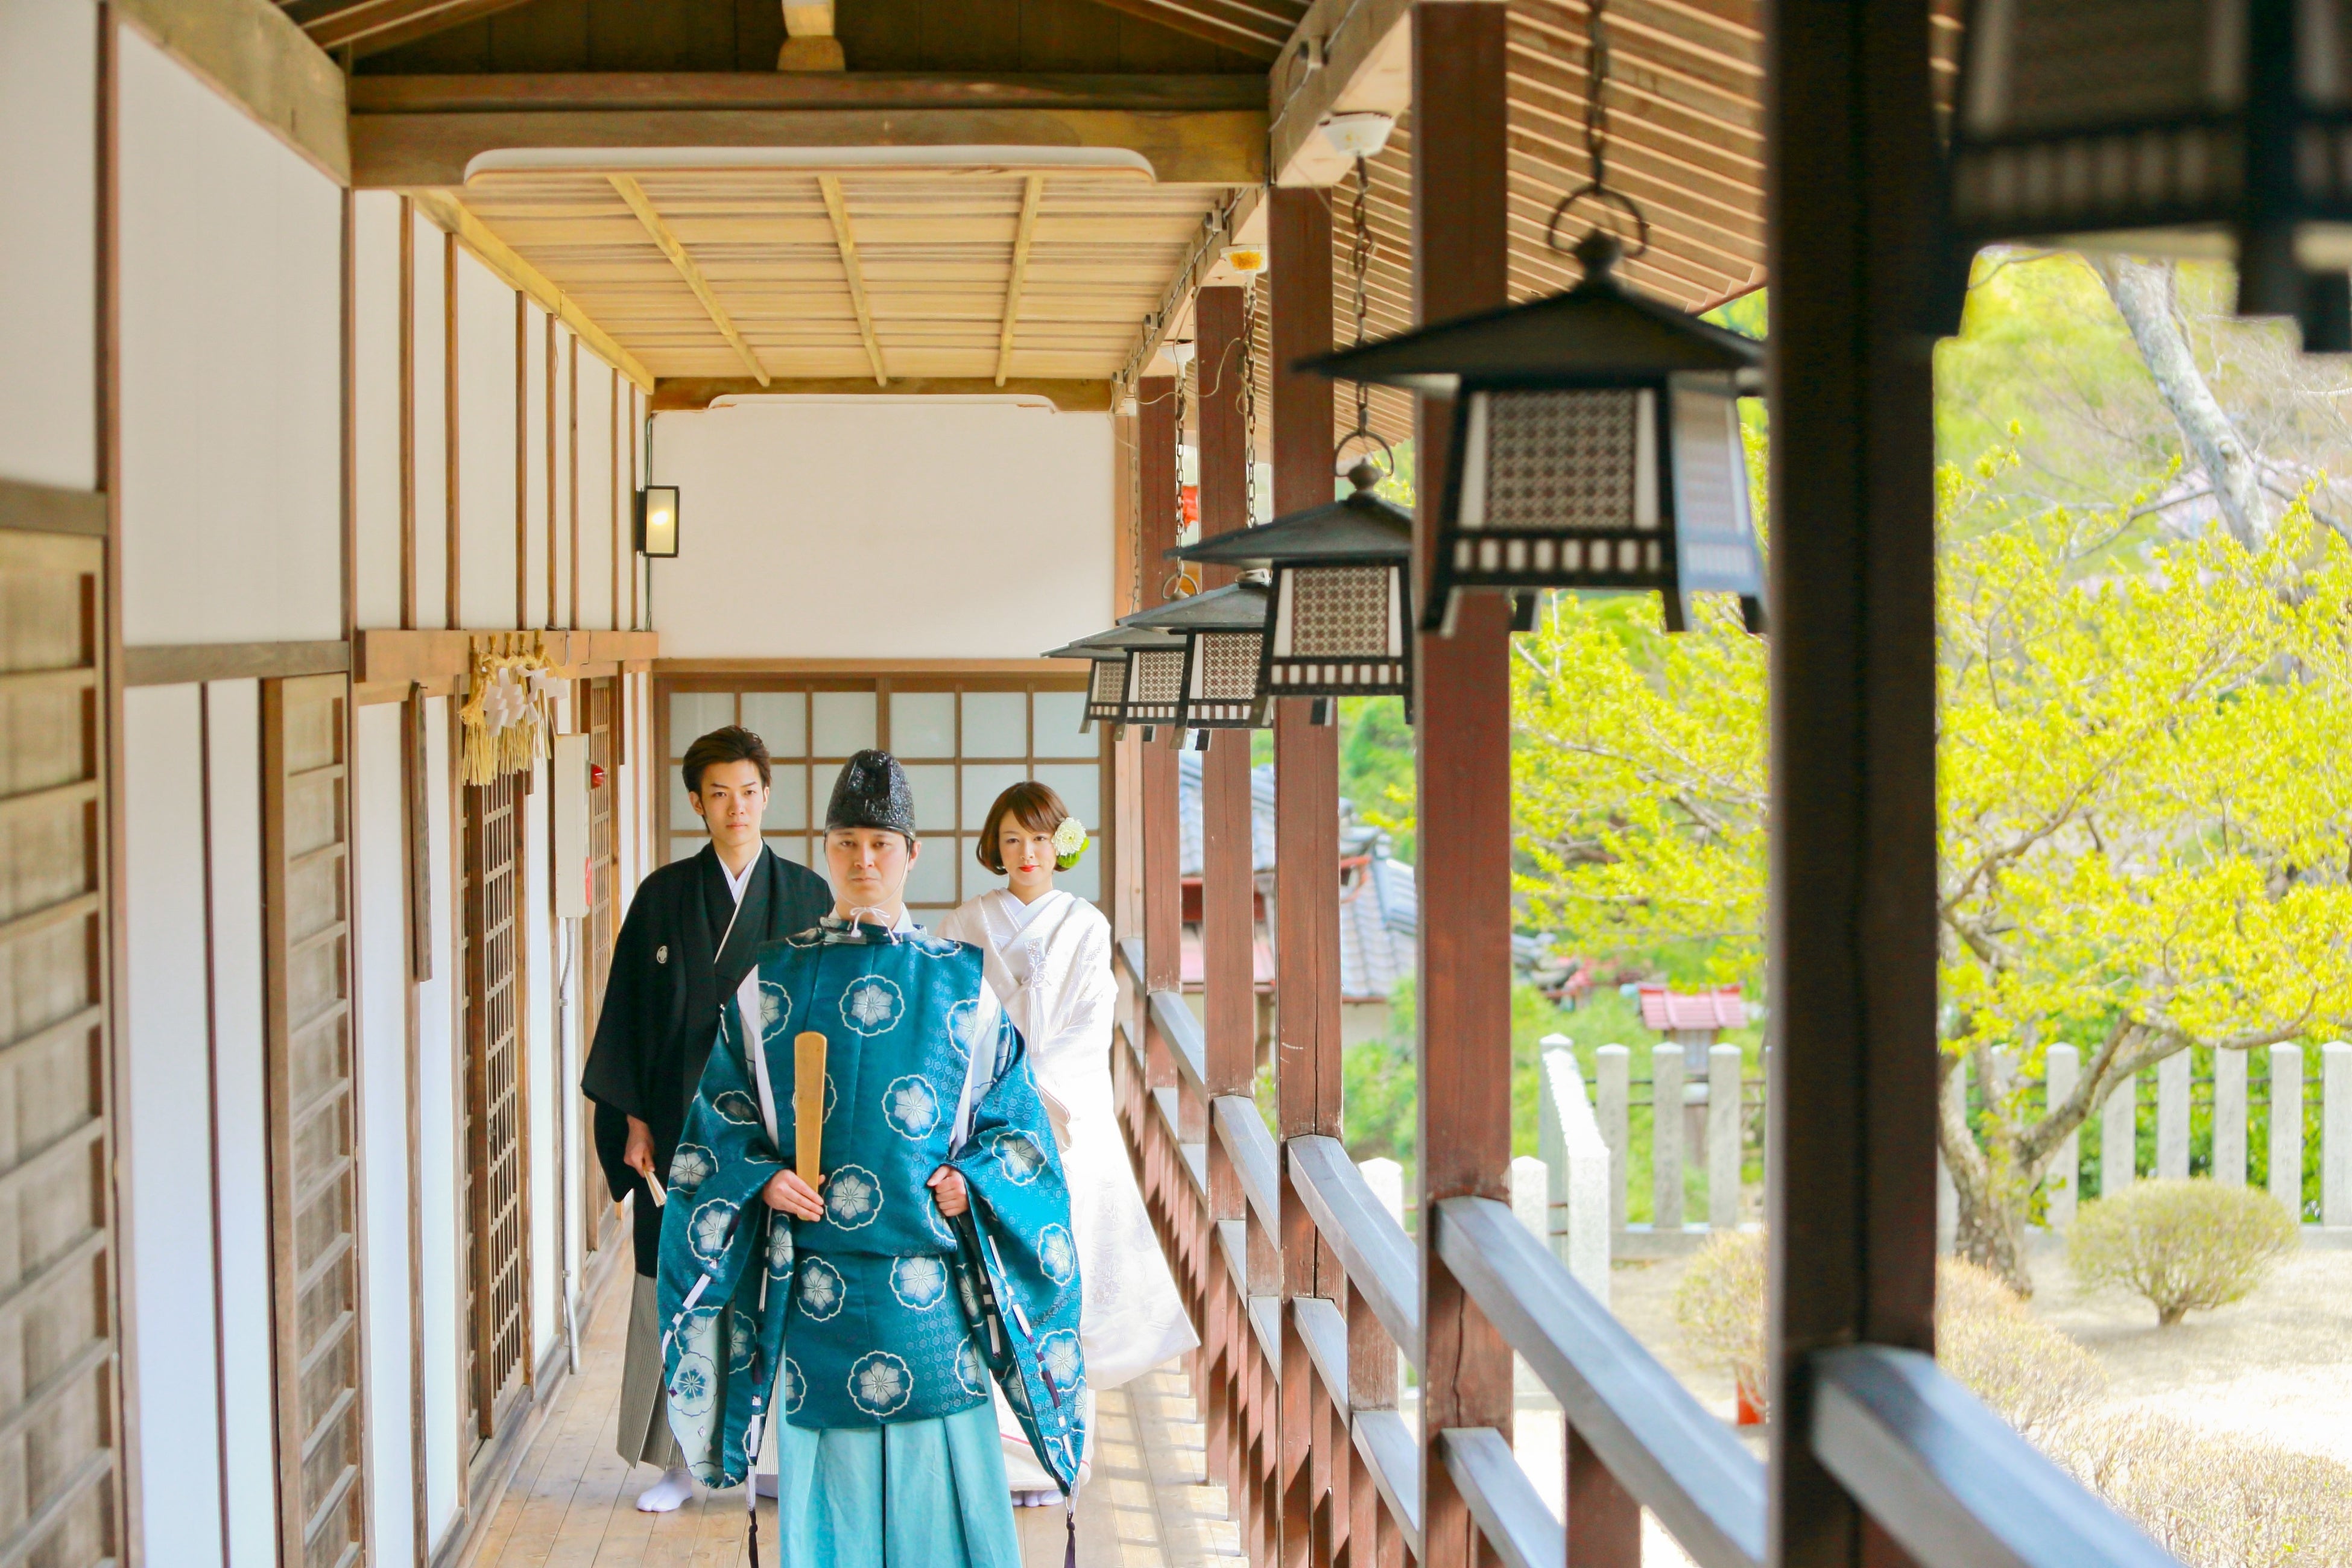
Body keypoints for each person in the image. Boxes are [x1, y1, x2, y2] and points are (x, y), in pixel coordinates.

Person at [657, 750, 1085, 1568]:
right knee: (831, 1512)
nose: (864, 862)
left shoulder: (964, 985)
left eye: (882, 845)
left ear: (912, 855)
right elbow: (717, 1125)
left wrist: (976, 1179)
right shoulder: (768, 983)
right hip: (817, 1289)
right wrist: (760, 1177)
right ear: (825, 849)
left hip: (928, 1295)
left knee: (945, 1500)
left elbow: (1017, 1130)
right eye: (848, 843)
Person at [582, 724, 833, 1513]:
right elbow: (625, 1016)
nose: (736, 807)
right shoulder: (661, 896)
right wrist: (631, 1119)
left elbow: (826, 1022)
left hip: (771, 1134)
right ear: (696, 801)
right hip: (678, 1128)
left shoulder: (806, 895)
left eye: (749, 792)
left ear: (768, 796)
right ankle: (679, 1464)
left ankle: (775, 1459)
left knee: (775, 1284)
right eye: (719, 793)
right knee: (677, 1285)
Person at [936, 782, 1197, 1506]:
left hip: (1059, 1124)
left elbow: (1089, 1029)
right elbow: (949, 1022)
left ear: (1063, 845)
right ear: (995, 845)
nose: (1027, 853)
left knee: (1058, 1279)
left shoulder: (1085, 924)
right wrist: (988, 1105)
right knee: (982, 1281)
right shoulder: (963, 921)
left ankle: (1060, 1451)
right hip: (979, 1126)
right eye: (1012, 839)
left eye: (1041, 839)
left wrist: (1026, 1100)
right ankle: (992, 1461)